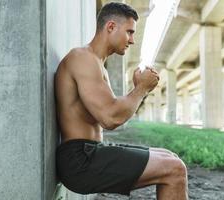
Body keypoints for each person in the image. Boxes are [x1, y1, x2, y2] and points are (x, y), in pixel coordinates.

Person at [54, 2, 188, 200]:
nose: (132, 40)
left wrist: (138, 89)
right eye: (129, 32)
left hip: (91, 153)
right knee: (175, 169)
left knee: (170, 157)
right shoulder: (82, 58)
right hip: (80, 160)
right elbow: (110, 118)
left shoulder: (97, 64)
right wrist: (141, 89)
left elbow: (113, 111)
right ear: (110, 27)